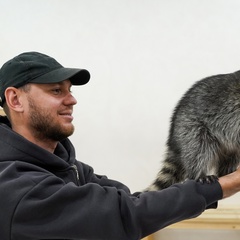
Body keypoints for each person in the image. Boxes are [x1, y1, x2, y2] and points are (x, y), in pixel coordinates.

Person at [0, 52, 239, 240]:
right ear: (15, 100)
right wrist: (223, 184)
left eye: (69, 90)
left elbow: (131, 201)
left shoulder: (70, 168)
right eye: (56, 90)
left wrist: (214, 188)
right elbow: (126, 215)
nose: (72, 100)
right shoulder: (16, 186)